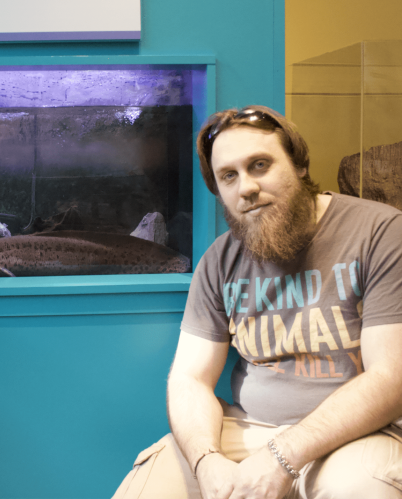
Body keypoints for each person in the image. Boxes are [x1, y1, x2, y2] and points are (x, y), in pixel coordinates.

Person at [111, 106, 402, 499]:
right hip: (250, 428)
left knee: (358, 489)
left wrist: (282, 457)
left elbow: (390, 379)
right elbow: (190, 379)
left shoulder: (381, 232)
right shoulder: (218, 261)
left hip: (358, 432)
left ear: (299, 166)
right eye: (228, 176)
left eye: (260, 165)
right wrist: (206, 461)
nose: (246, 187)